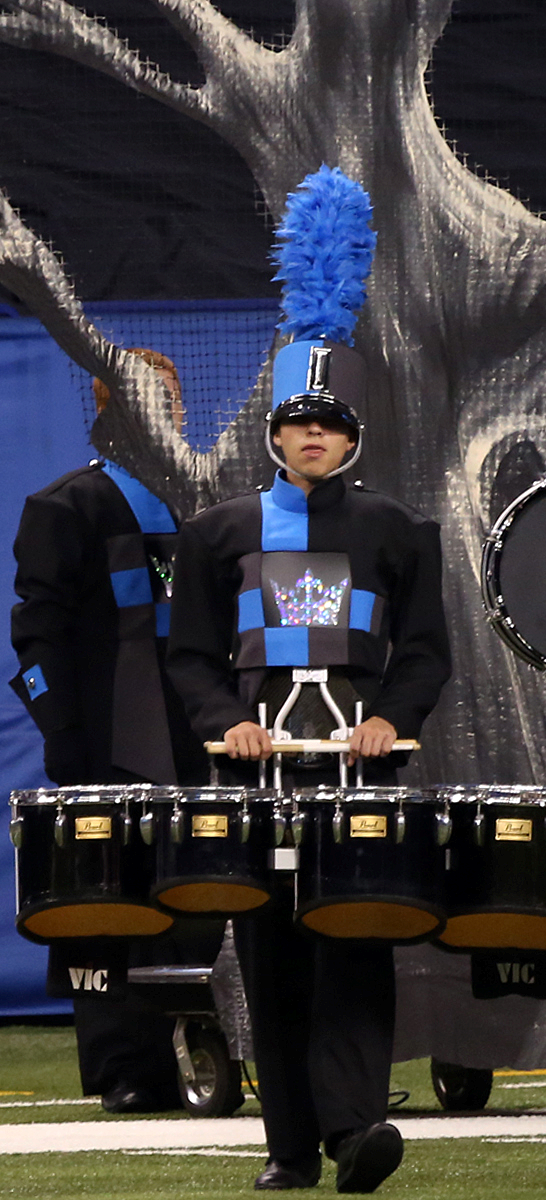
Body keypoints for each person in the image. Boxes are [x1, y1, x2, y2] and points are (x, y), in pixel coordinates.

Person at [167, 334, 450, 1193]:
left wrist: (392, 718)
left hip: (360, 781)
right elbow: (189, 657)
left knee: (356, 948)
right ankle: (289, 1149)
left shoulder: (398, 529)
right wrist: (229, 723)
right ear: (275, 436)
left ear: (353, 436)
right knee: (271, 957)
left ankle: (356, 1130)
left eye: (330, 423)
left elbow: (427, 654)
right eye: (300, 423)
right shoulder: (216, 532)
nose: (314, 436)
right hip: (258, 781)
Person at [10, 347, 213, 1113]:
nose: (157, 413)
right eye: (135, 399)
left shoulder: (213, 506)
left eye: (167, 400)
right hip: (110, 750)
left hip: (206, 744)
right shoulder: (65, 507)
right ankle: (126, 1069)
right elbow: (35, 639)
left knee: (205, 901)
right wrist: (65, 738)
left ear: (182, 413)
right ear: (104, 408)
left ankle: (205, 1053)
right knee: (108, 908)